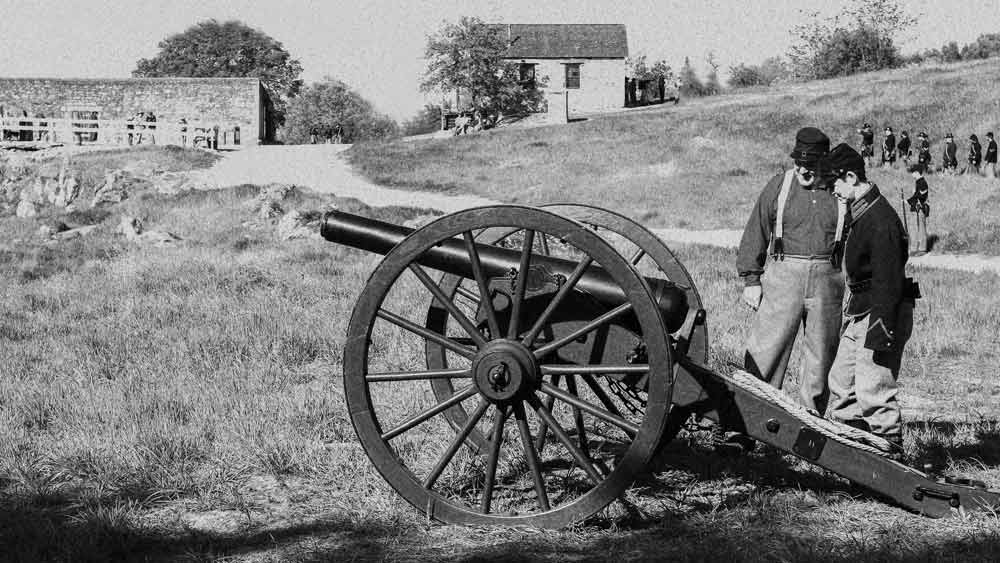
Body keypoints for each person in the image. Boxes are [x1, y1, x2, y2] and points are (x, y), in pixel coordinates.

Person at [737, 126, 846, 428]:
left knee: (821, 358)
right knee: (765, 351)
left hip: (828, 281)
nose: (802, 169)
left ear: (824, 162)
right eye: (798, 161)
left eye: (810, 164)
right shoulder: (779, 185)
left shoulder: (841, 192)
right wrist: (751, 280)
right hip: (784, 277)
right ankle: (747, 424)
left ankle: (809, 428)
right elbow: (756, 231)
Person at [820, 143, 918, 457]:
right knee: (842, 384)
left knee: (873, 388)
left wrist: (880, 332)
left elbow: (889, 284)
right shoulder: (862, 210)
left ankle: (889, 456)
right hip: (861, 311)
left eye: (834, 183)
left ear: (851, 177)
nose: (832, 190)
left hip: (881, 313)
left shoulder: (881, 220)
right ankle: (854, 455)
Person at [906, 164, 930, 255]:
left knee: (921, 228)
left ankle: (922, 249)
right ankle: (914, 248)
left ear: (916, 172)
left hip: (920, 208)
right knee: (914, 228)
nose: (912, 174)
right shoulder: (918, 182)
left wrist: (908, 201)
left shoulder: (922, 183)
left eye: (912, 172)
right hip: (915, 208)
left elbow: (920, 196)